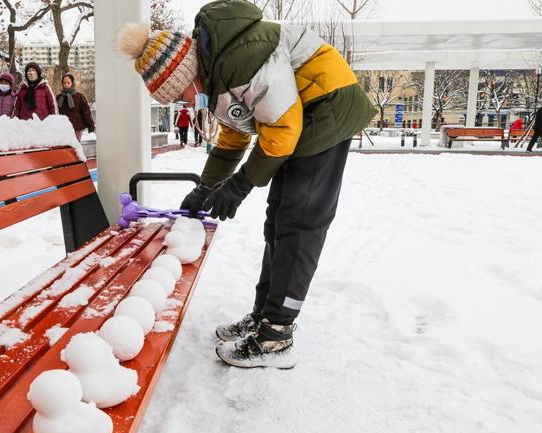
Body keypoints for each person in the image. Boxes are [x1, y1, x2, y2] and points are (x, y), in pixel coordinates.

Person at [119, 0, 376, 369]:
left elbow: (284, 129)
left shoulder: (239, 61)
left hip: (327, 107)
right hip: (304, 114)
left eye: (179, 95)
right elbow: (235, 137)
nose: (184, 103)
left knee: (299, 219)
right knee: (278, 219)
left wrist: (239, 186)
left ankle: (277, 334)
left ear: (186, 74)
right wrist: (206, 187)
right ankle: (263, 314)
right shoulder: (219, 72)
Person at [57, 73, 95, 141]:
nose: (66, 84)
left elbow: (86, 112)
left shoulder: (79, 97)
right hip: (63, 129)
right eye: (64, 83)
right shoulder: (59, 98)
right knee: (66, 150)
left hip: (76, 128)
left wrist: (90, 126)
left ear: (72, 83)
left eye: (68, 83)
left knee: (75, 148)